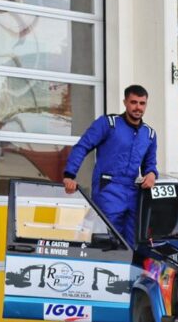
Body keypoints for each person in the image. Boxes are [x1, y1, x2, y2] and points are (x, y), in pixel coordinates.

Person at [63, 85, 158, 245]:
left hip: (133, 193)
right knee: (109, 241)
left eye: (142, 103)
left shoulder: (149, 134)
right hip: (107, 189)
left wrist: (152, 174)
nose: (138, 107)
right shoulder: (108, 123)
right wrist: (69, 175)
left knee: (134, 243)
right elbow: (82, 146)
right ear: (125, 102)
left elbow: (150, 163)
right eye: (133, 102)